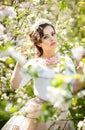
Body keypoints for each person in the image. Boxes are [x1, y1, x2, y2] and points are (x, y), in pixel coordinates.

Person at [1, 18, 84, 130]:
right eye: (46, 37)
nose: (52, 38)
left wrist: (81, 66)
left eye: (53, 34)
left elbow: (73, 89)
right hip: (38, 115)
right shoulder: (34, 63)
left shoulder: (66, 60)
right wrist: (20, 61)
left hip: (61, 114)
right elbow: (14, 86)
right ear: (39, 43)